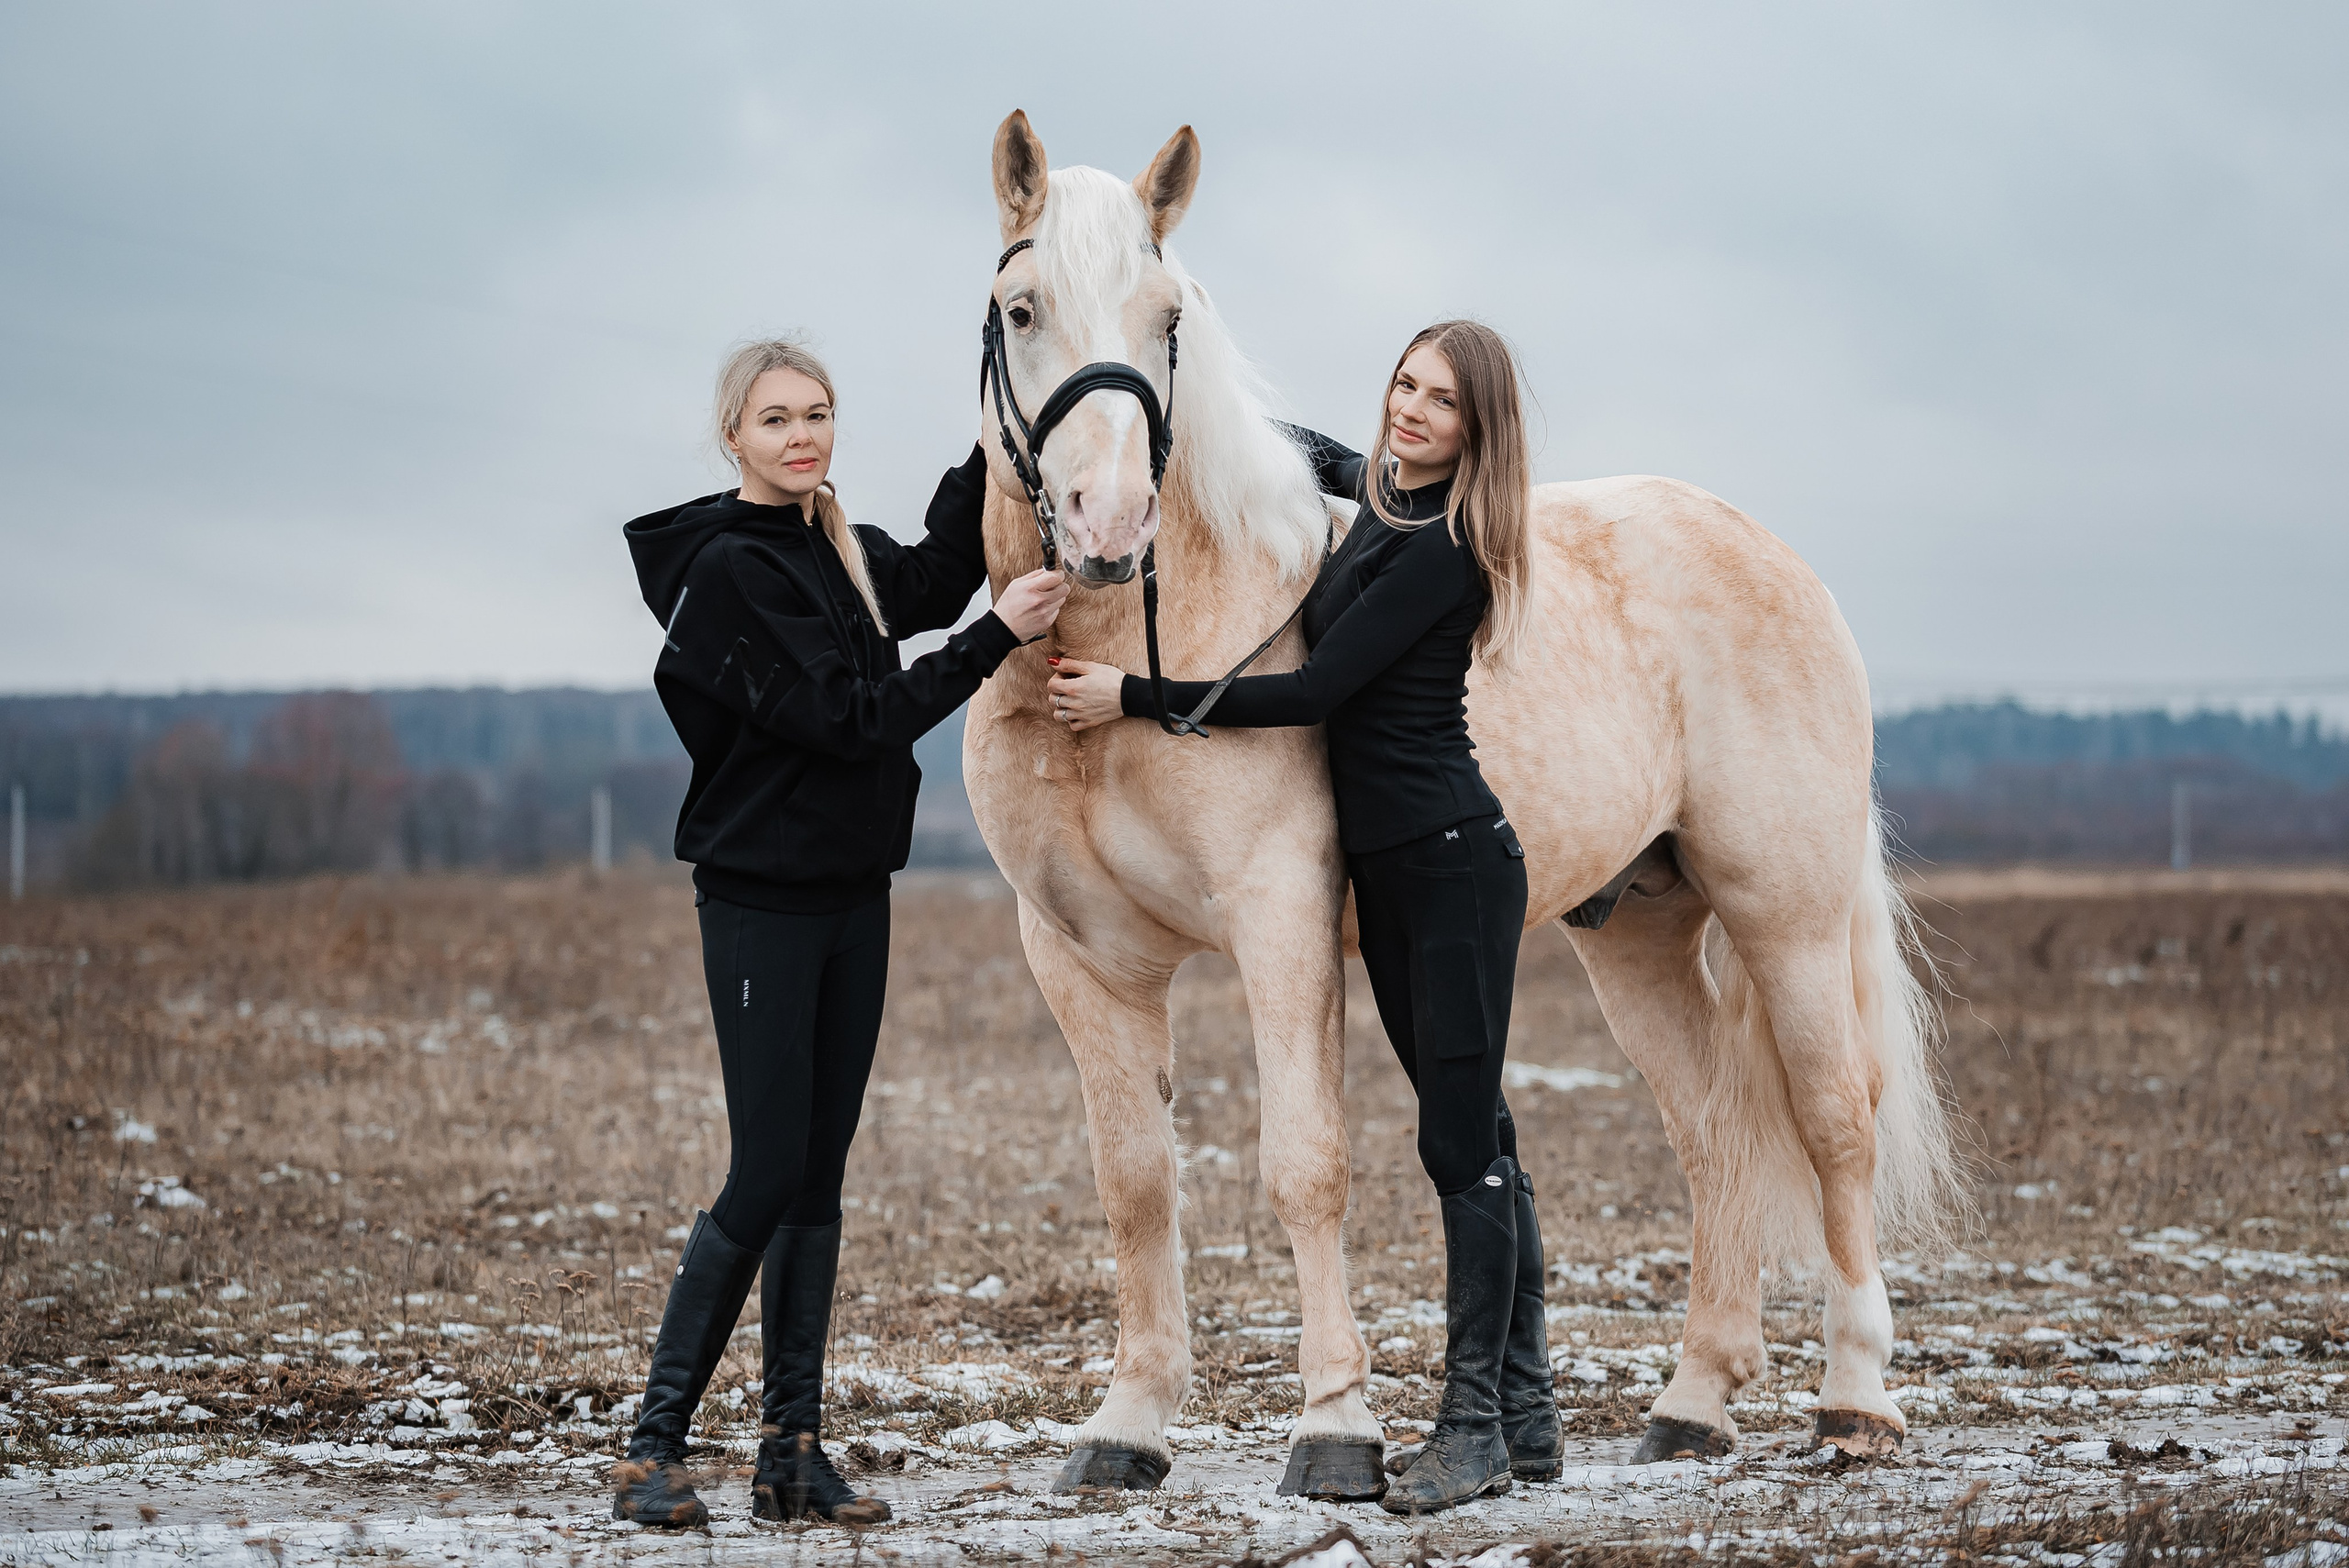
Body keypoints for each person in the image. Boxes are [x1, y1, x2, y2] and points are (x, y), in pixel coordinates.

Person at [1045, 321, 1554, 1513]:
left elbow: (1318, 688)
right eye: (1406, 385)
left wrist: (1135, 694)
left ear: (1481, 428)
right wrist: (1184, 413)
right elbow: (1309, 456)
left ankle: (1476, 1427)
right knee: (1469, 1125)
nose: (1413, 410)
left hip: (1451, 863)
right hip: (1393, 868)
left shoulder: (1452, 545)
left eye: (1443, 401)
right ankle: (1526, 1413)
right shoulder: (1385, 498)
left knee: (1461, 1142)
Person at [616, 339, 1067, 1528]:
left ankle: (790, 1453)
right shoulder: (729, 573)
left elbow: (920, 580)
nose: (803, 436)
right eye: (776, 420)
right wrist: (998, 638)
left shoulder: (832, 546)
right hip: (761, 902)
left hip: (853, 894)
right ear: (734, 437)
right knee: (764, 1170)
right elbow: (857, 716)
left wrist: (994, 441)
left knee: (817, 1178)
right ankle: (649, 1450)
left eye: (817, 415)